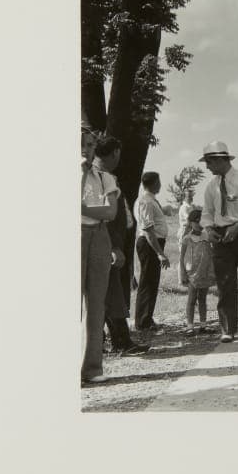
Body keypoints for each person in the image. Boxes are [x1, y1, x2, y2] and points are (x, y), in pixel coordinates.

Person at [199, 141, 238, 343]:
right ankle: (228, 328)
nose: (207, 167)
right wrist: (209, 229)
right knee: (225, 283)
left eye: (209, 162)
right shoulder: (211, 186)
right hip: (221, 238)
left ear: (220, 160)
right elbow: (207, 213)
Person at [93, 135, 149, 356]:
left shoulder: (100, 176)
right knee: (107, 294)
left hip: (105, 244)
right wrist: (114, 247)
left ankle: (114, 341)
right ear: (115, 152)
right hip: (104, 244)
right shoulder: (99, 178)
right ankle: (115, 342)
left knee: (109, 294)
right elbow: (106, 216)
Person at [81, 129, 119, 384]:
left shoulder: (105, 178)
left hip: (99, 236)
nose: (86, 149)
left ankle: (92, 368)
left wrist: (82, 208)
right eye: (81, 144)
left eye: (90, 144)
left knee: (96, 304)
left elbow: (111, 212)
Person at [134, 171, 171, 332]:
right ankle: (142, 322)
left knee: (152, 281)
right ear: (154, 183)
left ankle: (147, 319)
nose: (160, 185)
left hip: (153, 243)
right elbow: (148, 230)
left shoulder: (150, 200)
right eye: (159, 182)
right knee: (148, 282)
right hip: (149, 244)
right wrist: (160, 253)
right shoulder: (146, 201)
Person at [182, 207, 217, 333]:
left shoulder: (207, 237)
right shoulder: (187, 238)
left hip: (205, 272)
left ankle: (203, 325)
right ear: (190, 222)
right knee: (191, 299)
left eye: (201, 221)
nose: (198, 224)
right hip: (192, 273)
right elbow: (182, 257)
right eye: (195, 221)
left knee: (202, 298)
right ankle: (190, 326)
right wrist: (183, 273)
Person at [177, 191, 195, 286]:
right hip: (184, 231)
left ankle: (186, 278)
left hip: (190, 231)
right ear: (184, 197)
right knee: (182, 256)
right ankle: (181, 279)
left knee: (188, 256)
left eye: (191, 196)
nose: (191, 197)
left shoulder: (190, 206)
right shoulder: (184, 207)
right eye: (188, 196)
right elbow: (189, 218)